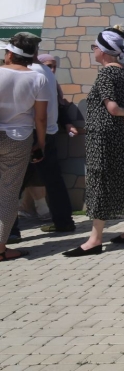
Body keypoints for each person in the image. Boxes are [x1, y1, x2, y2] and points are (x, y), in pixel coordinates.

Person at [65, 26, 124, 257]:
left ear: (104, 51)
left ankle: (95, 239)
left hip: (104, 138)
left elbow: (113, 108)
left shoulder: (107, 73)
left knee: (100, 182)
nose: (93, 50)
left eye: (94, 47)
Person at [15, 38, 74, 234]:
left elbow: (36, 112)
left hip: (31, 133)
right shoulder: (46, 71)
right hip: (47, 132)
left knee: (13, 183)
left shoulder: (30, 72)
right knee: (53, 180)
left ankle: (10, 231)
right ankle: (64, 221)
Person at [0, 35, 49, 261]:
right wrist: (41, 143)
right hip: (19, 138)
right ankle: (1, 248)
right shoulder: (38, 78)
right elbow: (41, 117)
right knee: (9, 193)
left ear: (10, 53)